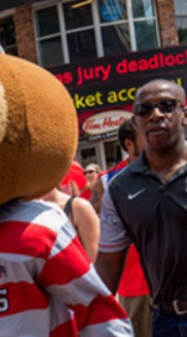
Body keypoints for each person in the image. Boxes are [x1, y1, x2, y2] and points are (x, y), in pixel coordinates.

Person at [96, 79, 187, 336]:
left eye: (167, 106)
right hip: (166, 322)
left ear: (184, 115)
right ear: (136, 123)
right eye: (144, 109)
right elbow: (108, 268)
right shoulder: (119, 189)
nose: (155, 115)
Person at [90, 120, 151, 337]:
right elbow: (87, 219)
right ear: (130, 144)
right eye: (145, 134)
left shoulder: (169, 171)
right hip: (135, 287)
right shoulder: (107, 183)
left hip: (173, 286)